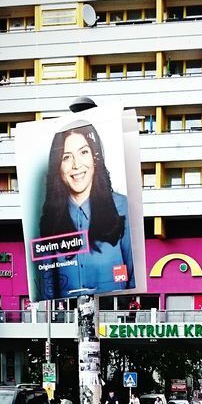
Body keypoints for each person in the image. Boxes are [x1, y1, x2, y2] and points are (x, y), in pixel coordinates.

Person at [39, 123, 134, 299]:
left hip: (112, 317)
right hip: (69, 320)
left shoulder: (123, 206)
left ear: (94, 157)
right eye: (66, 157)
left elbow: (133, 275)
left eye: (83, 152)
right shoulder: (50, 218)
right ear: (57, 166)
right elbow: (47, 288)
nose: (76, 165)